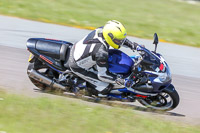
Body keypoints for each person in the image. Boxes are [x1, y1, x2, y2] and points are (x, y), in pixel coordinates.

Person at [69, 20, 142, 96]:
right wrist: (121, 81)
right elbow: (103, 75)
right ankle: (86, 92)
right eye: (118, 41)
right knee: (105, 87)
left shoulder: (104, 30)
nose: (120, 42)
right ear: (109, 37)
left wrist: (133, 46)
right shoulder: (101, 53)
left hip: (80, 50)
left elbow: (121, 39)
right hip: (77, 66)